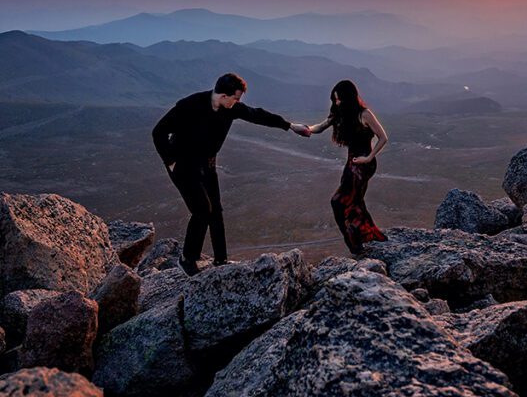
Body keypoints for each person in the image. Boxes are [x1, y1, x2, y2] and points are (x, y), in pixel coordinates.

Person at [152, 72, 311, 275]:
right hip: (183, 163)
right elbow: (158, 132)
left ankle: (221, 260)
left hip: (207, 163)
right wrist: (171, 161)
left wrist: (290, 126)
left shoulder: (231, 109)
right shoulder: (189, 106)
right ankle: (187, 259)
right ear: (223, 95)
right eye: (235, 98)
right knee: (202, 210)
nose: (238, 102)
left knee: (216, 211)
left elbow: (258, 115)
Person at [307, 79, 388, 254]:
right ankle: (364, 238)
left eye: (339, 99)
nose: (336, 103)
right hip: (352, 164)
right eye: (334, 100)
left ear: (348, 97)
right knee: (354, 201)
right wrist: (304, 129)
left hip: (364, 165)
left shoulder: (364, 114)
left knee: (340, 201)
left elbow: (383, 137)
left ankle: (356, 243)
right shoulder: (341, 114)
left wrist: (369, 158)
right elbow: (320, 127)